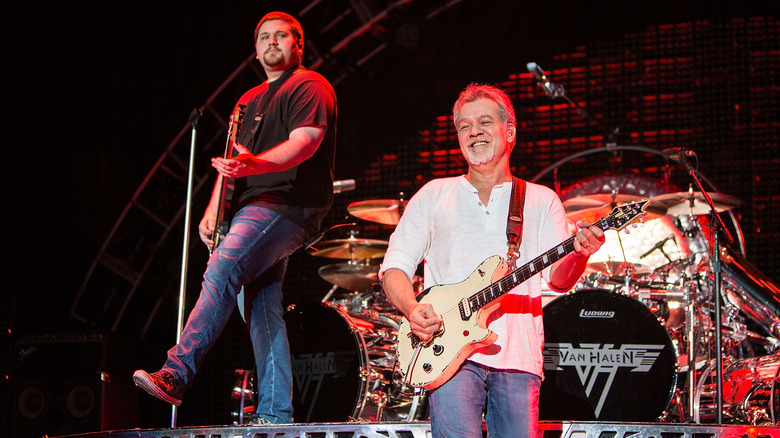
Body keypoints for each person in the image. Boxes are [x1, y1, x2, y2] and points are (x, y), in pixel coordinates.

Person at [133, 11, 337, 424]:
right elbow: (231, 163)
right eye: (264, 37)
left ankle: (176, 372)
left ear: (299, 44)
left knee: (221, 268)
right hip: (250, 206)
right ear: (255, 48)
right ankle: (276, 414)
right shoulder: (246, 100)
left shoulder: (310, 85)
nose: (272, 42)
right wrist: (213, 209)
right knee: (263, 311)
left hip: (287, 204)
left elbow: (305, 143)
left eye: (282, 35)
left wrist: (255, 165)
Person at [380, 84, 604, 437]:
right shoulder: (434, 194)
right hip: (449, 354)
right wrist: (411, 308)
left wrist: (579, 254)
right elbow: (394, 267)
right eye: (464, 126)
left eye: (484, 122)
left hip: (518, 357)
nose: (474, 132)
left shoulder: (541, 199)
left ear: (510, 132)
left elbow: (559, 280)